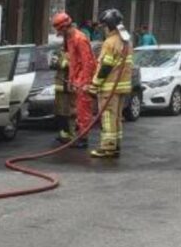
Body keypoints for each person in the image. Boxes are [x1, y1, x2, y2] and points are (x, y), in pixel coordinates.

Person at [87, 9, 134, 158]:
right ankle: (115, 145)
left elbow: (105, 66)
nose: (103, 29)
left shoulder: (110, 42)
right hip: (122, 87)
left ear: (109, 25)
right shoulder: (126, 41)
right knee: (116, 117)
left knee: (107, 116)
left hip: (109, 87)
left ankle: (107, 147)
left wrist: (94, 84)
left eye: (104, 26)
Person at [52, 12, 97, 148]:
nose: (59, 34)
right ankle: (78, 136)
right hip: (76, 81)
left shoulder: (79, 39)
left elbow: (88, 62)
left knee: (83, 111)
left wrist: (86, 83)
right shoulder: (71, 39)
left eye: (60, 31)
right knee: (76, 111)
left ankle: (83, 139)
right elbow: (74, 62)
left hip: (83, 81)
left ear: (65, 27)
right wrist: (72, 80)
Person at [52, 43, 75, 143]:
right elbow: (54, 64)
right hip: (61, 87)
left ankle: (71, 134)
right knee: (60, 111)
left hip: (71, 87)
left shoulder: (75, 51)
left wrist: (68, 62)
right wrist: (66, 61)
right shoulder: (58, 52)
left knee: (70, 112)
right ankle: (63, 133)